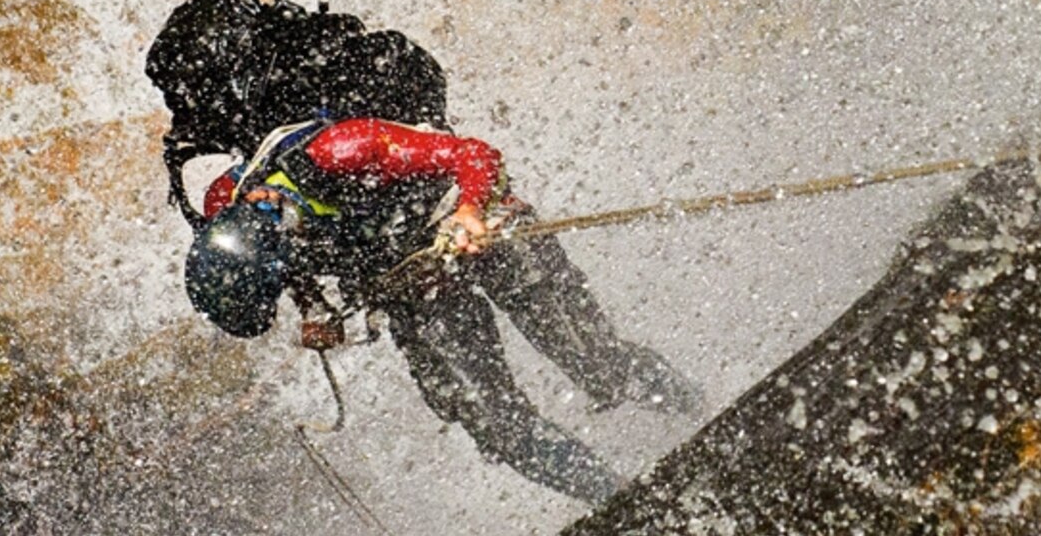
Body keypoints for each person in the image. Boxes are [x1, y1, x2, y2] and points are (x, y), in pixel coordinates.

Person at [174, 53, 699, 500]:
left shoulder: (344, 147)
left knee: (595, 361)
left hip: (484, 227)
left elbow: (473, 155)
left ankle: (702, 413)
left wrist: (469, 212)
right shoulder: (226, 207)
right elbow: (291, 270)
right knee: (496, 425)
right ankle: (622, 500)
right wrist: (314, 310)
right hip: (413, 284)